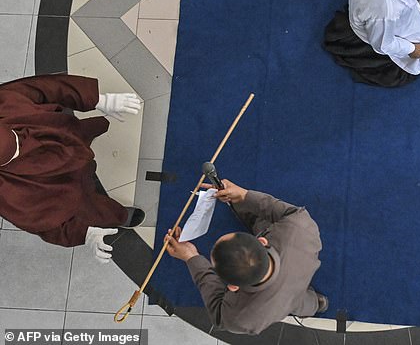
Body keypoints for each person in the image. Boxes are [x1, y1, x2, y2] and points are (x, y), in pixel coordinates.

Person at [0, 74, 144, 263]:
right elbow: (44, 224)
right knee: (89, 206)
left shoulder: (4, 101)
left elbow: (48, 87)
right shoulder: (6, 193)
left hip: (63, 131)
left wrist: (99, 100)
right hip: (62, 184)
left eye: (17, 138)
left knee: (82, 134)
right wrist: (84, 234)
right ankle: (119, 216)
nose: (24, 143)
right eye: (17, 151)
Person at [165, 179, 327, 335]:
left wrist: (191, 257)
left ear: (233, 286)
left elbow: (218, 312)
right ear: (261, 241)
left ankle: (316, 305)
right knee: (301, 301)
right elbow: (289, 212)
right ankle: (317, 304)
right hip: (300, 276)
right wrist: (244, 195)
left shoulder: (241, 319)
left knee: (297, 303)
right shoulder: (299, 227)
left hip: (278, 305)